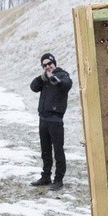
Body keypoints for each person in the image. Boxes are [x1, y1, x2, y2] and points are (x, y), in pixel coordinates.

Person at [29, 52, 73, 191]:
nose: (48, 66)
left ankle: (58, 179)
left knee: (58, 151)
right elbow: (33, 87)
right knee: (45, 151)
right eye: (45, 65)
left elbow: (66, 84)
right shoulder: (44, 78)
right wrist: (42, 78)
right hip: (43, 119)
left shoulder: (62, 75)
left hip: (55, 120)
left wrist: (53, 78)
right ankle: (46, 176)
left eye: (50, 64)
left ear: (55, 63)